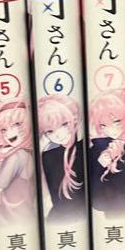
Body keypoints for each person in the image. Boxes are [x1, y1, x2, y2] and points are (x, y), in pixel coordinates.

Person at [87, 86, 125, 214]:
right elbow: (97, 197)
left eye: (116, 122)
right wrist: (99, 165)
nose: (111, 129)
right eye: (103, 125)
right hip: (112, 209)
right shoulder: (98, 147)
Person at [0, 100, 35, 225]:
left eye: (17, 124)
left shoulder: (16, 156)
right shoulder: (28, 154)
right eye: (3, 129)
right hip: (24, 213)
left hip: (11, 217)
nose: (9, 134)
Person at [38, 94, 85, 222]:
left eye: (64, 124)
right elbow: (53, 198)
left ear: (75, 119)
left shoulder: (85, 149)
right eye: (49, 131)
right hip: (62, 218)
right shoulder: (48, 156)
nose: (58, 135)